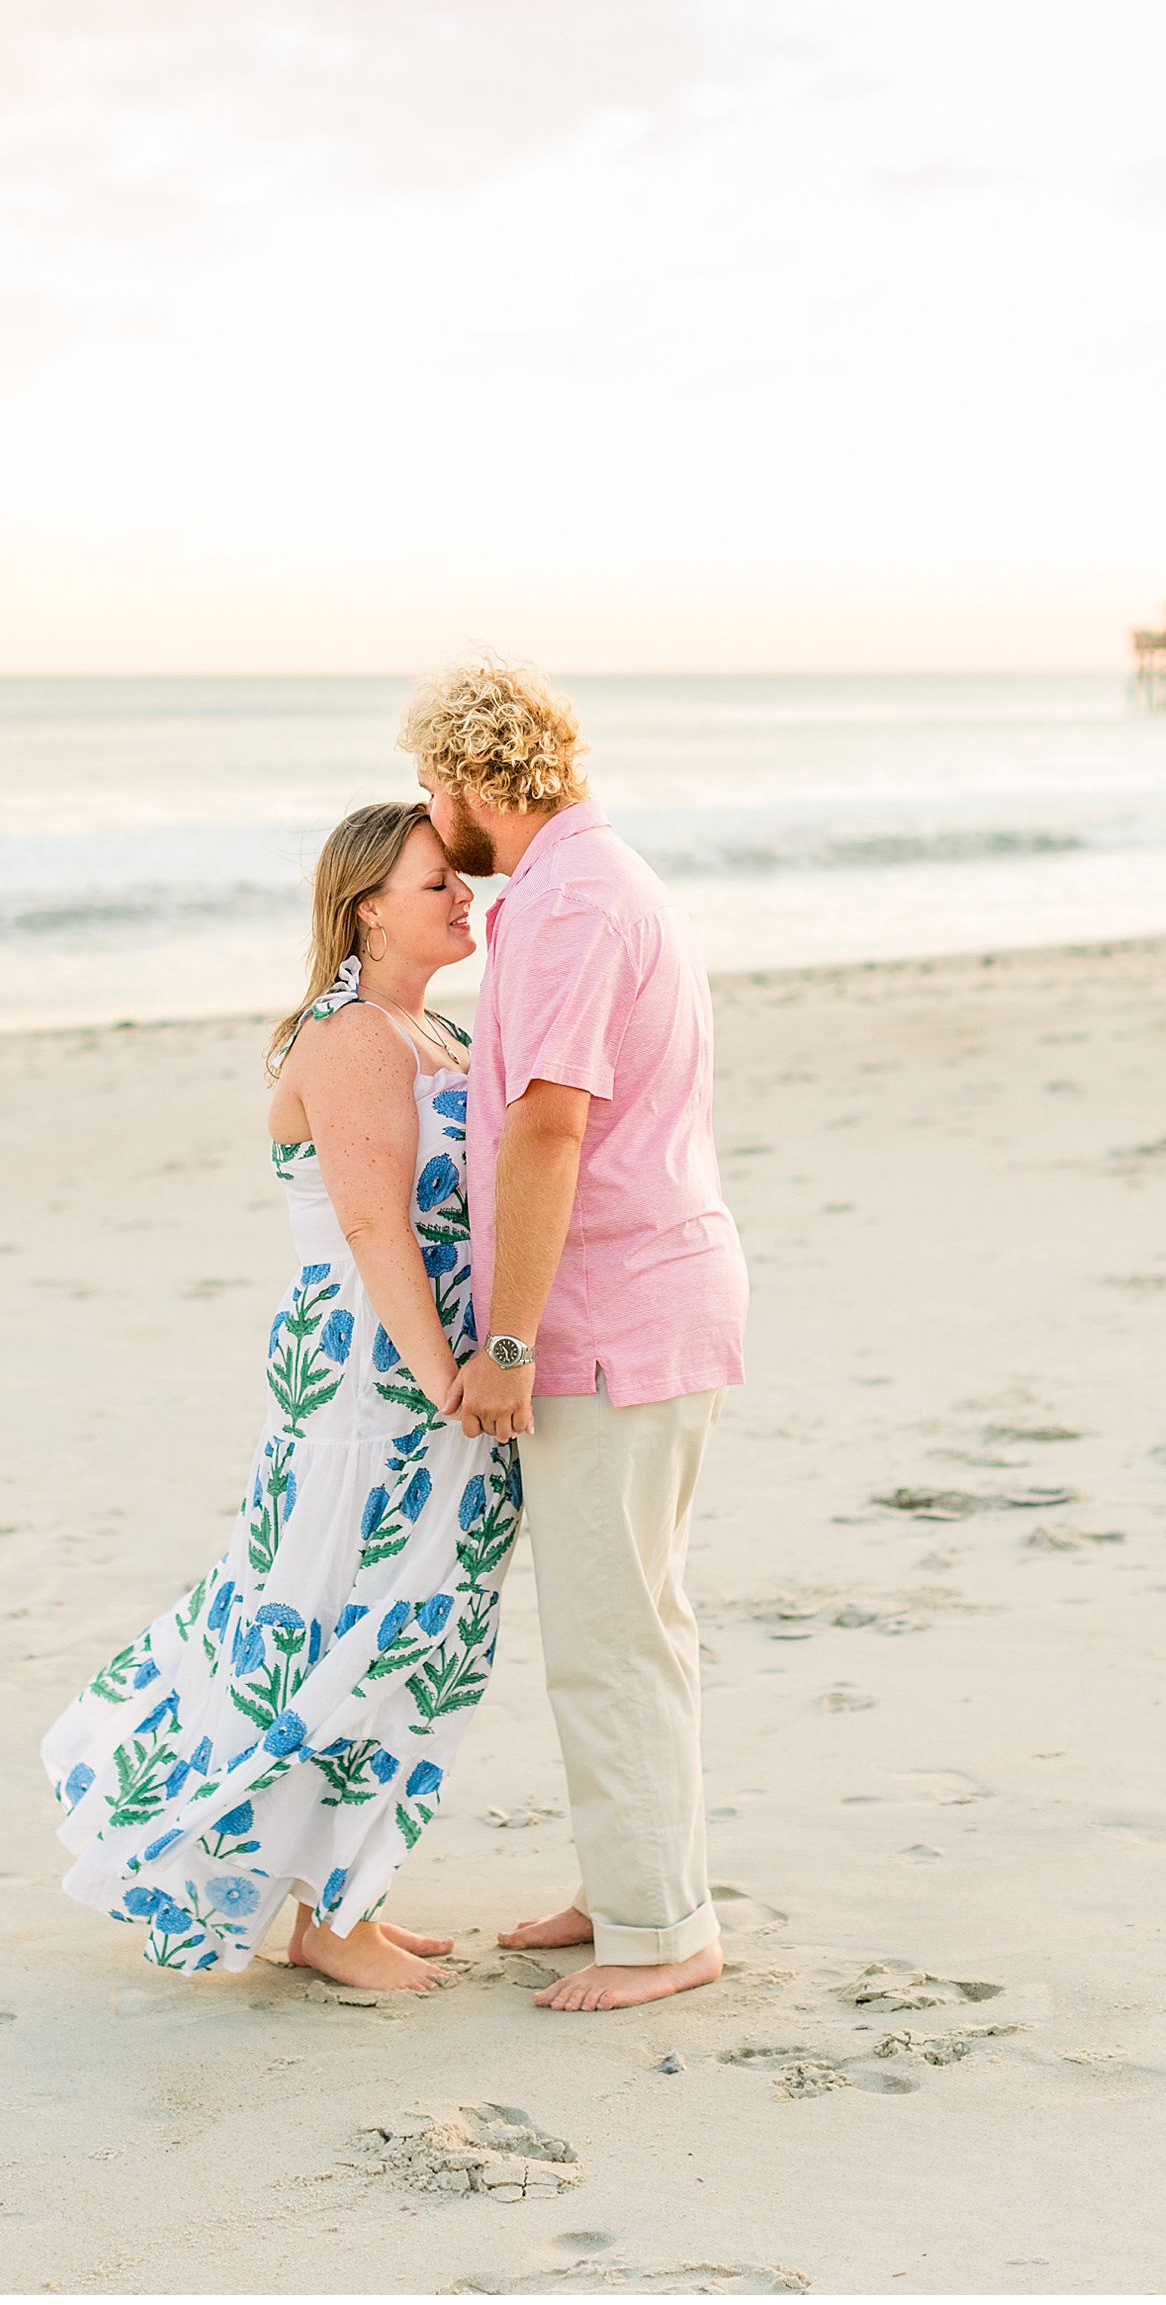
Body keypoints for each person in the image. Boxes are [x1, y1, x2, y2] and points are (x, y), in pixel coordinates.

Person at [39, 802, 522, 1993]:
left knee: (413, 1633)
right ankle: (321, 1913)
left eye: (460, 881)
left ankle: (339, 1894)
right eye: (434, 887)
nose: (466, 898)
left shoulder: (435, 1030)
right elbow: (373, 1226)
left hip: (435, 1364)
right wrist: (441, 1383)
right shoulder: (355, 1035)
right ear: (367, 909)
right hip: (376, 1376)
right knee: (343, 1619)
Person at [401, 657, 749, 2012]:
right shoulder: (577, 886)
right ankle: (628, 1887)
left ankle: (663, 1931)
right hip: (641, 1297)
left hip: (611, 1315)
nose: (430, 806)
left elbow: (550, 1125)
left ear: (483, 776)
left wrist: (506, 1338)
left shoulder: (571, 904)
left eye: (436, 778)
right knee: (619, 1618)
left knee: (615, 1631)